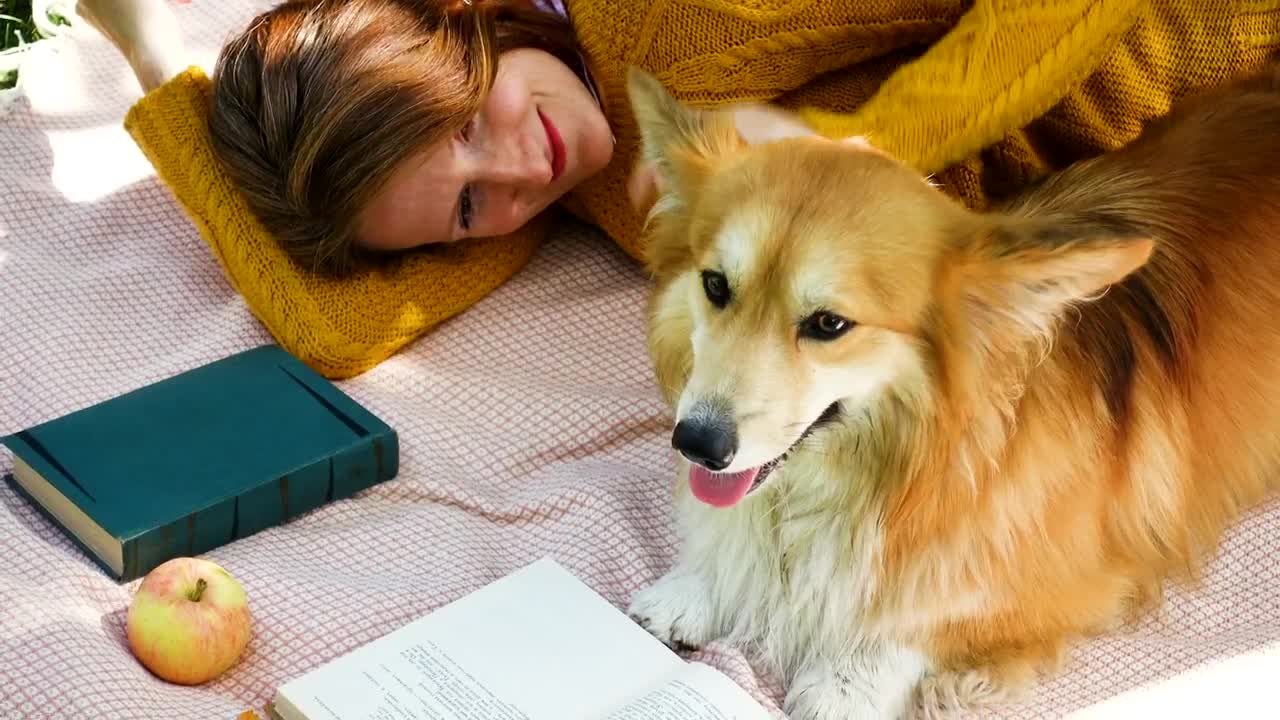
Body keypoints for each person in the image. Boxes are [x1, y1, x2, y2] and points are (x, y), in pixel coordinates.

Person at [76, 0, 1280, 379]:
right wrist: (150, 57)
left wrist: (864, 144)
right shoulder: (571, 173)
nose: (520, 170)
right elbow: (333, 329)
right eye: (464, 211)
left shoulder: (665, 20)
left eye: (468, 123)